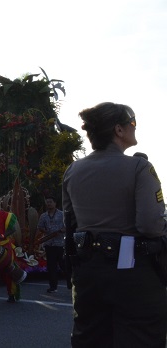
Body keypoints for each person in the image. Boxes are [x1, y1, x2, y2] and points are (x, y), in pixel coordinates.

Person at [63, 102, 167, 347]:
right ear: (119, 130)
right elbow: (150, 226)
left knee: (89, 338)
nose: (135, 126)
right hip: (133, 274)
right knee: (141, 338)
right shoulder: (139, 167)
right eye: (132, 122)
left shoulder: (73, 170)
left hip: (87, 273)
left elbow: (71, 222)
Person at [37, 195, 70, 293]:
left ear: (55, 203)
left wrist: (61, 230)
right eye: (47, 202)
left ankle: (70, 283)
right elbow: (40, 227)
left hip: (60, 244)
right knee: (51, 267)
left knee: (64, 265)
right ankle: (53, 286)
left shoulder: (62, 214)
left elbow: (67, 226)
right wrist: (46, 231)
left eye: (50, 202)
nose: (49, 204)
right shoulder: (43, 216)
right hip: (49, 244)